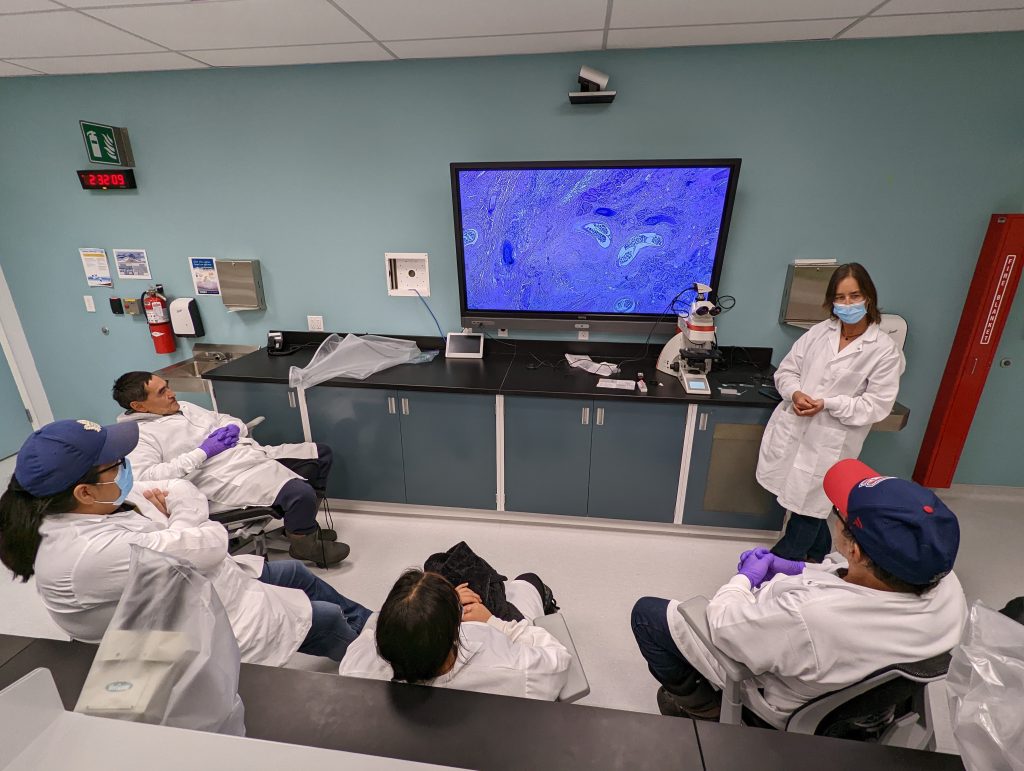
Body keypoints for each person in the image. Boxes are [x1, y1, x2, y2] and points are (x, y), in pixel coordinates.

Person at [0, 419, 372, 665]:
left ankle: (383, 627)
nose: (126, 464)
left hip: (192, 593)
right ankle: (390, 674)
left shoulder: (83, 505)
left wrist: (175, 523)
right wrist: (182, 522)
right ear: (84, 490)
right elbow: (211, 543)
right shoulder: (89, 553)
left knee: (294, 573)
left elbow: (179, 488)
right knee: (325, 618)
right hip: (179, 638)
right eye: (116, 463)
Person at [631, 459, 968, 726]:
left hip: (779, 700)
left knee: (647, 616)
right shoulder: (947, 585)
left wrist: (743, 581)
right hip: (850, 691)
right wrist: (798, 568)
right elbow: (854, 577)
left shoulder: (810, 616)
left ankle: (703, 710)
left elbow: (722, 625)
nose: (834, 516)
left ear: (856, 551)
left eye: (838, 513)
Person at [112, 371, 348, 566]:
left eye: (168, 386)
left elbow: (223, 418)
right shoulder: (138, 437)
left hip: (247, 455)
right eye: (162, 392)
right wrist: (203, 451)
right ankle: (304, 545)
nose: (172, 394)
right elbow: (146, 478)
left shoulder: (181, 407)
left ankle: (299, 527)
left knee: (320, 455)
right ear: (138, 405)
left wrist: (234, 428)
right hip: (220, 478)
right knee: (300, 493)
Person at [757, 262, 905, 562]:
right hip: (796, 429)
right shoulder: (819, 333)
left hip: (832, 440)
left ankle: (774, 568)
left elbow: (876, 405)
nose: (847, 304)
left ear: (869, 298)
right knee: (807, 502)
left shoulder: (884, 350)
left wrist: (828, 403)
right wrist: (795, 393)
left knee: (808, 507)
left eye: (854, 295)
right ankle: (819, 553)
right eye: (840, 297)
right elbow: (787, 370)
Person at [340, 568, 571, 700]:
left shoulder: (355, 667)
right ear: (453, 633)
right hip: (499, 629)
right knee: (527, 582)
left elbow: (372, 628)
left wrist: (430, 611)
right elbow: (558, 658)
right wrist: (492, 621)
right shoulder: (512, 668)